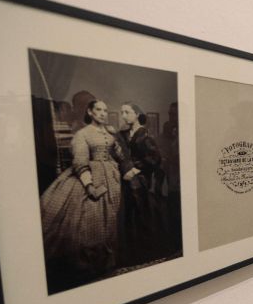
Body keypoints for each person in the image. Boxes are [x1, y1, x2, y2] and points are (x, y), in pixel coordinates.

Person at [40, 99, 134, 293]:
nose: (102, 113)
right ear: (90, 112)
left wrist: (128, 165)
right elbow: (80, 161)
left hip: (113, 179)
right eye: (98, 110)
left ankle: (109, 263)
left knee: (112, 219)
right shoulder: (82, 134)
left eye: (105, 110)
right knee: (91, 221)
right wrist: (89, 185)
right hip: (93, 179)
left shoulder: (109, 132)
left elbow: (120, 155)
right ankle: (90, 269)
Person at [118, 101, 166, 266]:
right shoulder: (126, 133)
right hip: (129, 180)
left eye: (127, 112)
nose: (123, 115)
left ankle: (148, 252)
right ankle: (134, 253)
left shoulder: (143, 134)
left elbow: (155, 158)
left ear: (136, 114)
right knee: (131, 215)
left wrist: (135, 170)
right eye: (122, 112)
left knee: (142, 213)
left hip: (142, 180)